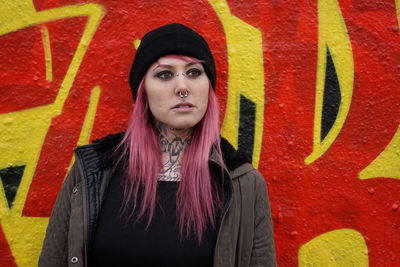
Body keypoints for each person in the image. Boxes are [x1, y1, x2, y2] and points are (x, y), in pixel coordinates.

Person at [39, 23, 276, 267]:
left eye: (194, 72)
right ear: (143, 92)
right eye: (165, 74)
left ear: (208, 87)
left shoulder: (241, 183)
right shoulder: (92, 172)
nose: (183, 87)